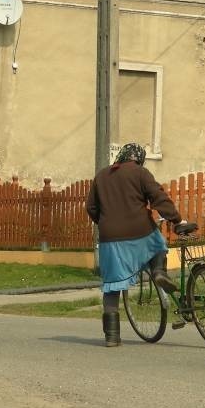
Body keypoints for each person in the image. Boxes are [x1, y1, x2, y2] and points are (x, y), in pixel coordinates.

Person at [86, 142, 185, 347]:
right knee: (158, 246)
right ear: (138, 159)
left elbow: (91, 208)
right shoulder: (140, 173)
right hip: (140, 231)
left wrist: (106, 222)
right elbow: (158, 197)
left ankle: (112, 336)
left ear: (121, 156)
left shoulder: (101, 176)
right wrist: (176, 219)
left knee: (112, 286)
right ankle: (159, 271)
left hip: (110, 238)